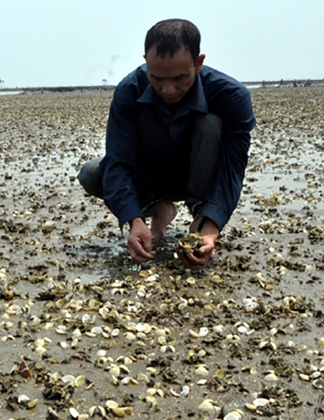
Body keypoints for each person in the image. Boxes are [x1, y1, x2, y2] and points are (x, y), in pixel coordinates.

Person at [78, 18, 255, 266]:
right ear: (146, 62)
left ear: (198, 63)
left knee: (211, 123)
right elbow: (119, 161)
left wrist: (210, 224)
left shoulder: (231, 96)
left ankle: (199, 216)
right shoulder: (129, 90)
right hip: (152, 174)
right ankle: (159, 208)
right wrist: (134, 220)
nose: (168, 90)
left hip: (198, 175)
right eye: (157, 79)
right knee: (92, 173)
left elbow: (232, 169)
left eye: (180, 78)